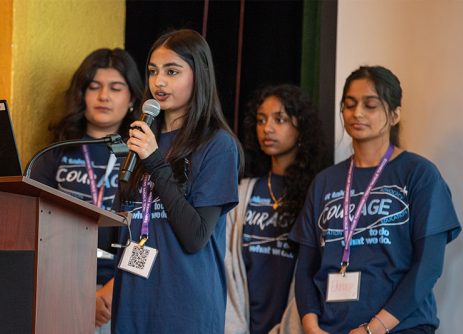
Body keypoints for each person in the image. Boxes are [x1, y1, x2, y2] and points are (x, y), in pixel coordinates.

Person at [289, 65, 461, 334]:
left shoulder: (419, 174)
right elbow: (306, 267)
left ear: (394, 115)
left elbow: (428, 266)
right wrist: (311, 327)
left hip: (401, 328)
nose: (357, 113)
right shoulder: (325, 181)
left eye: (370, 105)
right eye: (349, 104)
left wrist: (375, 328)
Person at [110, 29, 242, 333]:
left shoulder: (217, 145)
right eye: (153, 71)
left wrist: (155, 161)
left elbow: (195, 235)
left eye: (172, 71)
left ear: (199, 76)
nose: (159, 82)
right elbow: (120, 227)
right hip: (133, 299)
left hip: (183, 306)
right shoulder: (142, 137)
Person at [30, 48, 143, 333]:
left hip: (120, 295)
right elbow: (31, 226)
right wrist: (71, 290)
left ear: (132, 100)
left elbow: (151, 236)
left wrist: (113, 290)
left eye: (116, 88)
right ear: (82, 95)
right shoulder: (53, 154)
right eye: (94, 87)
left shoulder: (144, 161)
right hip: (56, 289)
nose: (104, 96)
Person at [225, 84, 326, 334]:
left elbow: (313, 270)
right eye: (261, 120)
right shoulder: (243, 190)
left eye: (279, 119)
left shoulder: (318, 191)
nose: (267, 128)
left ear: (301, 128)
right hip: (242, 322)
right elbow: (227, 266)